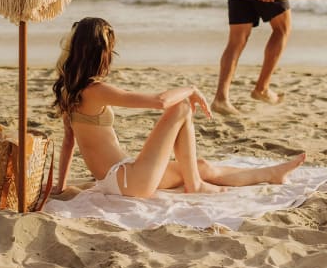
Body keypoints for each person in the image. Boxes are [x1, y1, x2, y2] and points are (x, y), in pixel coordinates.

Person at [50, 17, 305, 197]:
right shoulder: (96, 91)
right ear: (100, 53)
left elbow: (68, 143)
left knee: (201, 164)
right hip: (128, 180)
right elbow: (160, 101)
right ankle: (195, 184)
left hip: (119, 179)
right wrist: (191, 89)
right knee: (180, 107)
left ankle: (271, 174)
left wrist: (61, 185)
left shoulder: (68, 91)